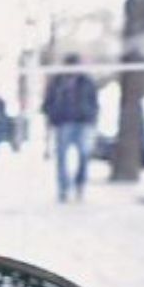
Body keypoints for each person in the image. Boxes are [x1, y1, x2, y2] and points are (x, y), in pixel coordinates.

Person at [41, 53, 99, 202]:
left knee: (84, 155)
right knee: (61, 157)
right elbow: (48, 101)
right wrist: (53, 115)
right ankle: (63, 188)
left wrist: (91, 118)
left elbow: (94, 102)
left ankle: (79, 183)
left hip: (83, 122)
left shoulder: (87, 81)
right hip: (64, 122)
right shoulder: (57, 81)